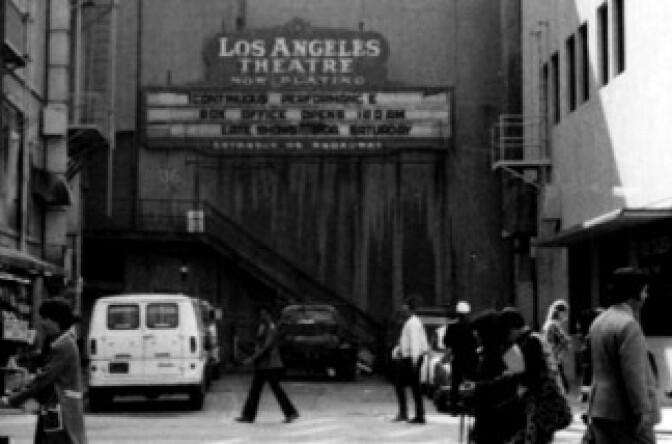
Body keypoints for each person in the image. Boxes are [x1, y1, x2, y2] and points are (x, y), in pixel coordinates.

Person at [588, 267, 661, 444]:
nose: (646, 296)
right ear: (634, 293)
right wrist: (642, 411)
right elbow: (634, 375)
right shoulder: (629, 325)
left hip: (600, 409)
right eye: (644, 291)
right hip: (624, 413)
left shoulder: (599, 321)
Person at [1, 299, 87, 444]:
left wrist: (14, 398)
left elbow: (44, 378)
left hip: (63, 409)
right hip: (55, 407)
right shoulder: (60, 342)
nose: (42, 323)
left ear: (56, 321)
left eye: (45, 319)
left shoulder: (65, 346)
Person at [461, 309, 522, 444]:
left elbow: (513, 384)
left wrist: (476, 388)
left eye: (478, 333)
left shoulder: (509, 352)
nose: (476, 337)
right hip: (489, 420)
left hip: (500, 421)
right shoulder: (489, 352)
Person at [497, 307, 557, 444]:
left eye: (506, 333)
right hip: (540, 404)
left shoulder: (530, 342)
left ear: (512, 329)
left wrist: (512, 375)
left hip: (539, 405)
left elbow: (531, 376)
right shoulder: (532, 339)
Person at [235, 306, 299, 424]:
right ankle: (248, 415)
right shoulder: (264, 327)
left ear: (269, 315)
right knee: (257, 390)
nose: (261, 316)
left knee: (273, 390)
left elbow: (266, 347)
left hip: (269, 365)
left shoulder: (271, 328)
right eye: (261, 314)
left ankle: (290, 412)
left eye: (264, 314)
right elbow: (259, 344)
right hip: (263, 365)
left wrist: (251, 358)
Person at [391, 296, 429, 424]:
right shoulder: (412, 322)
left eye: (405, 308)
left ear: (410, 309)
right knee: (413, 387)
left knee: (405, 385)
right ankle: (416, 413)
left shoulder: (412, 323)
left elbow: (414, 343)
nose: (403, 310)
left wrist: (414, 359)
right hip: (411, 357)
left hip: (411, 358)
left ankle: (407, 413)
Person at [442, 300, 477, 415]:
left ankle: (454, 408)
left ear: (457, 313)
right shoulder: (472, 326)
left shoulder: (452, 326)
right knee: (472, 382)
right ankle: (471, 406)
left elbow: (446, 342)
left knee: (455, 383)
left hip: (457, 358)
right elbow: (476, 342)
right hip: (471, 358)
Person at [542, 299, 571, 393]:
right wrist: (559, 350)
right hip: (554, 358)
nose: (566, 314)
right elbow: (565, 341)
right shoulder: (554, 325)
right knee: (562, 387)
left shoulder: (548, 324)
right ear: (560, 312)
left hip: (551, 357)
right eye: (565, 312)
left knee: (561, 386)